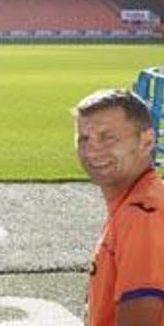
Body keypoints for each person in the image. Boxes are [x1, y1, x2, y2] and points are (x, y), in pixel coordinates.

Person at [74, 88, 164, 326]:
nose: (92, 150)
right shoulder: (134, 202)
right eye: (84, 138)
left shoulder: (143, 215)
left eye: (107, 137)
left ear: (146, 141)